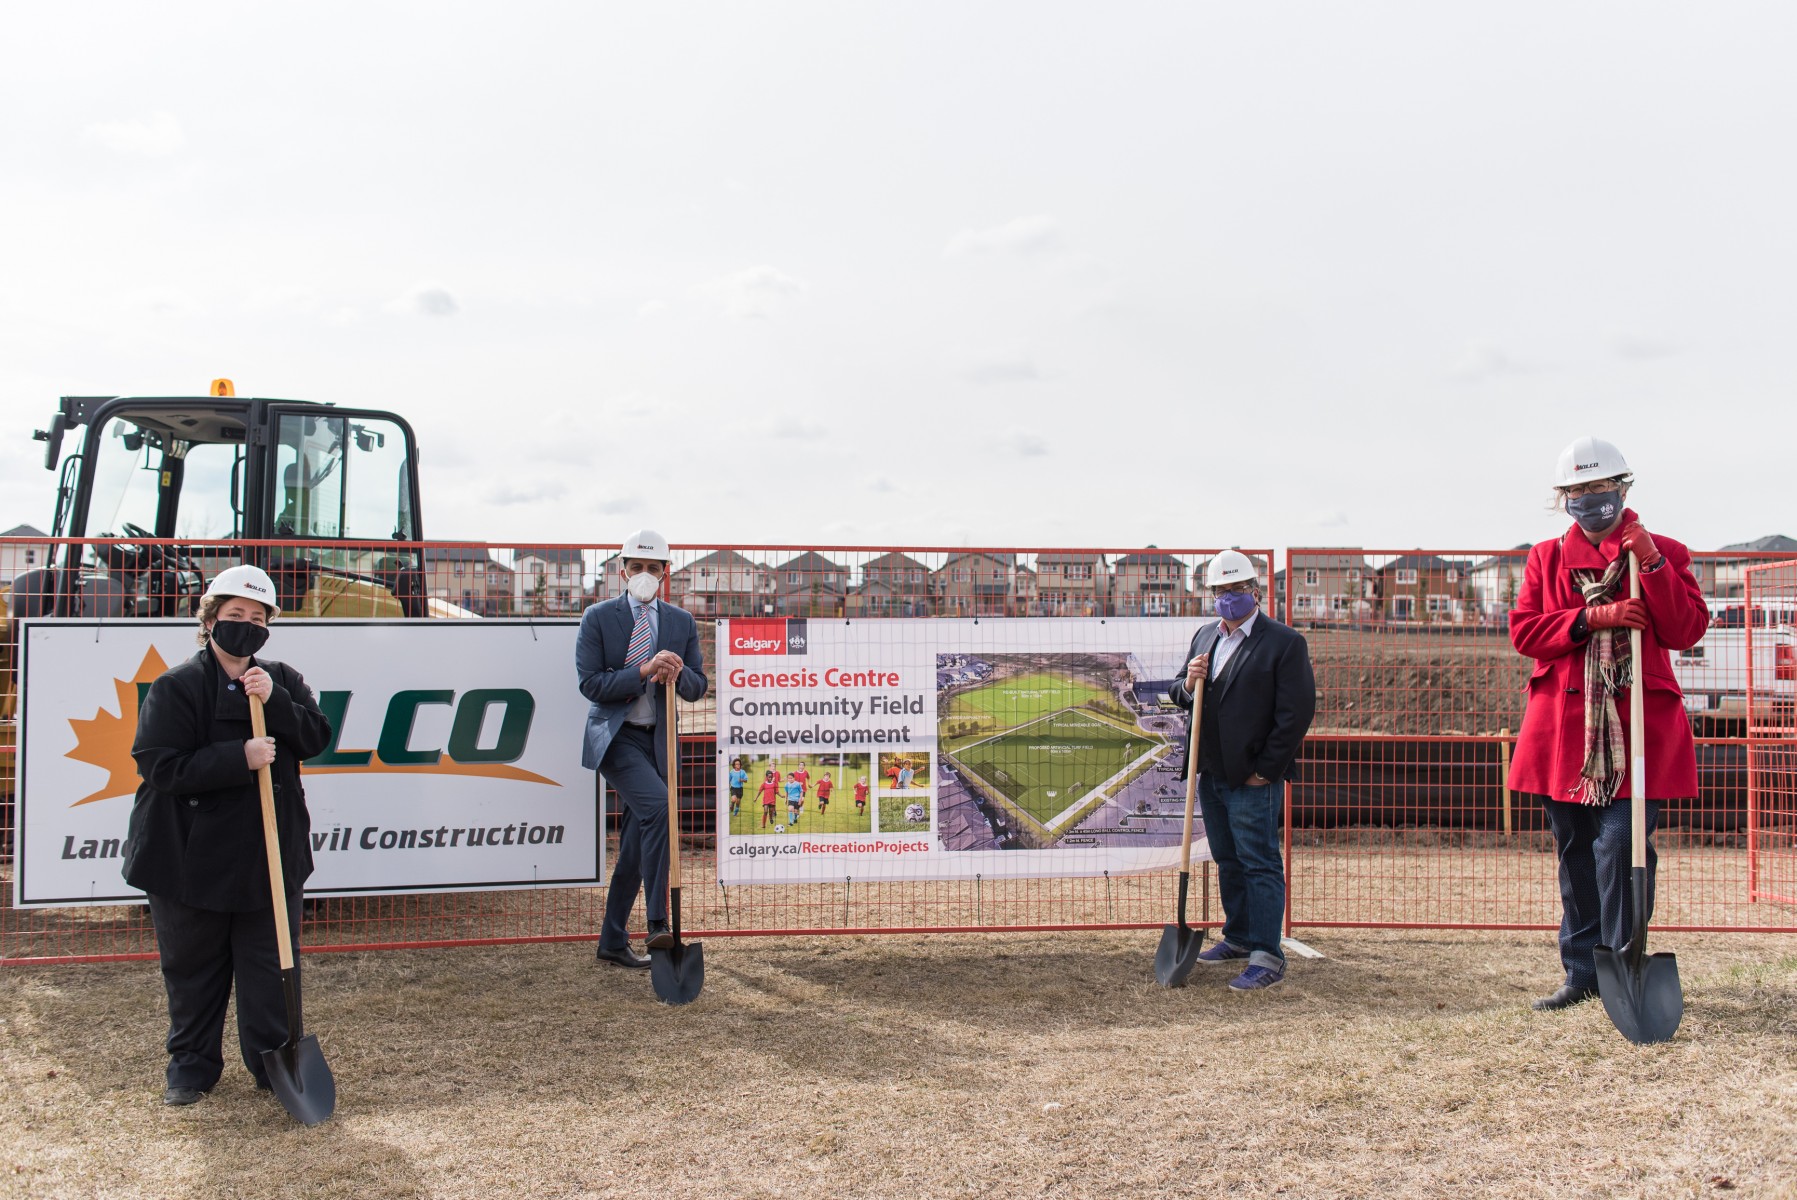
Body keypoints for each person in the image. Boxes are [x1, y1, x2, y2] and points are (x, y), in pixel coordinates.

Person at [1509, 437, 1708, 1011]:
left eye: (1600, 488)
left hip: (1638, 732)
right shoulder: (1546, 558)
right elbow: (1526, 632)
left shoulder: (1665, 551)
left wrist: (1650, 561)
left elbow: (1685, 629)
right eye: (1577, 491)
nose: (1590, 500)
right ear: (1563, 498)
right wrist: (1594, 617)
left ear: (1622, 489)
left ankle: (1625, 961)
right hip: (1566, 733)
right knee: (1574, 853)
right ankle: (1580, 972)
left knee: (1621, 844)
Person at [123, 565, 333, 1106]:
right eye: (235, 615)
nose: (246, 625)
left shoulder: (282, 679)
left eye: (257, 618)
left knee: (270, 964)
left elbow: (315, 737)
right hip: (188, 857)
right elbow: (159, 766)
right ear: (211, 618)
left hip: (269, 854)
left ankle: (273, 1064)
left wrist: (277, 704)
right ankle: (190, 1068)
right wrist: (237, 757)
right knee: (194, 967)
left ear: (268, 628)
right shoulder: (177, 686)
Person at [1166, 550, 1316, 991]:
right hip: (1210, 771)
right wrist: (1189, 681)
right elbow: (1178, 692)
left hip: (1252, 777)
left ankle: (1267, 954)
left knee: (1259, 862)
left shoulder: (1283, 643)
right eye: (1220, 590)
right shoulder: (1204, 638)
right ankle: (1238, 937)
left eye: (1237, 589)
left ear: (1255, 590)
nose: (1229, 598)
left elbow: (1295, 714)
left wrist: (1267, 771)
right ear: (1211, 594)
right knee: (1229, 860)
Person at [577, 529, 708, 971]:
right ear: (622, 571)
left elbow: (697, 686)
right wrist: (643, 670)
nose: (646, 575)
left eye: (655, 568)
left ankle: (612, 940)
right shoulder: (598, 618)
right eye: (638, 567)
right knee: (658, 808)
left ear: (666, 574)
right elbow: (591, 684)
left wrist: (674, 672)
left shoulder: (680, 622)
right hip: (616, 739)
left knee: (635, 845)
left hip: (658, 742)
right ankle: (658, 921)